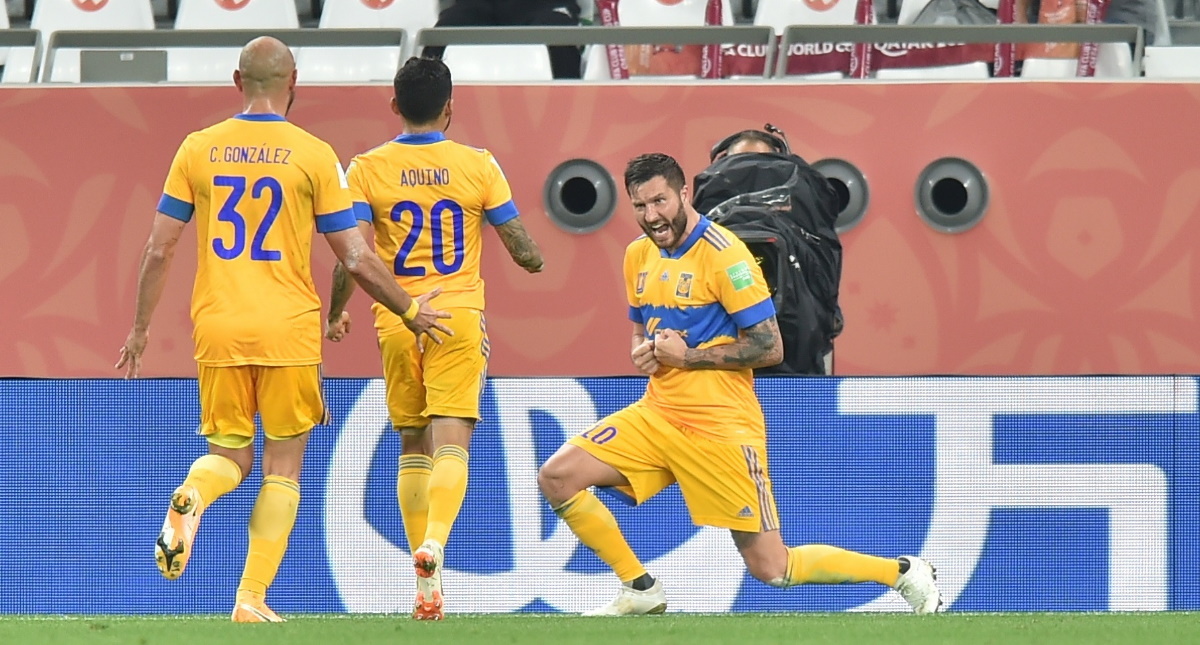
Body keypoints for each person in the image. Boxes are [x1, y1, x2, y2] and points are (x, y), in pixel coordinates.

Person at [116, 37, 451, 624]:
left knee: (228, 454)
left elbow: (158, 248)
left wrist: (141, 329)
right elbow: (355, 257)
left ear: (236, 79)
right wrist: (408, 309)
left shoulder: (198, 149)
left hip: (217, 326)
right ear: (294, 79)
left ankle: (196, 491)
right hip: (288, 330)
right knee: (282, 467)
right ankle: (250, 597)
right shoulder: (313, 154)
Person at [536, 153, 942, 616]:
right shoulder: (637, 255)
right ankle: (640, 588)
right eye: (639, 205)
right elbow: (640, 329)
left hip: (721, 427)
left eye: (660, 201)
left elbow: (770, 347)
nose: (651, 216)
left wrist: (687, 357)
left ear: (684, 193)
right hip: (658, 413)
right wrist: (642, 351)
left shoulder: (726, 256)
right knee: (558, 477)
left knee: (773, 568)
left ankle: (903, 573)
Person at [324, 57, 544, 621]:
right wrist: (532, 256)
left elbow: (353, 256)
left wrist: (338, 312)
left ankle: (424, 585)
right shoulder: (478, 164)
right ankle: (436, 545)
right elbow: (523, 250)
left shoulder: (367, 167)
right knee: (453, 444)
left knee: (412, 444)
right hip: (457, 317)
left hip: (398, 317)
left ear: (395, 105)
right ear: (450, 107)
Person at [420, 0, 583, 79]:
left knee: (556, 32)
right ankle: (418, 117)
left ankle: (574, 113)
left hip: (544, 5)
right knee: (446, 30)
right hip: (476, 5)